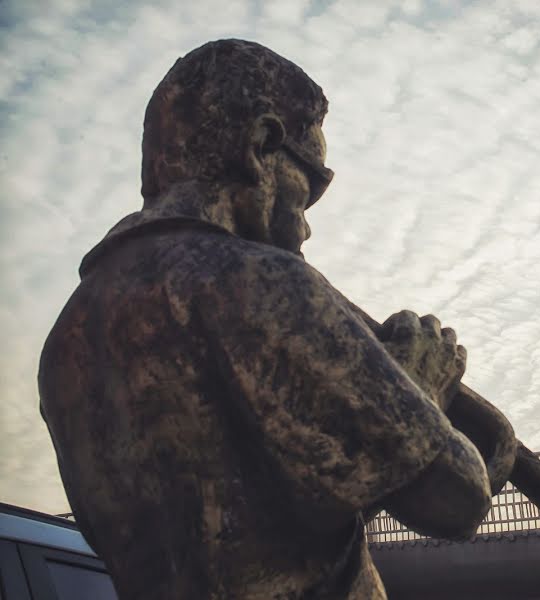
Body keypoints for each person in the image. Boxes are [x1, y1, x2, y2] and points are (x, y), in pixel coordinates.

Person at [38, 39, 491, 600]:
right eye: (314, 181)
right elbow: (455, 497)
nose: (306, 224)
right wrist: (420, 387)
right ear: (261, 146)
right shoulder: (258, 281)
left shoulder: (65, 339)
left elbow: (262, 529)